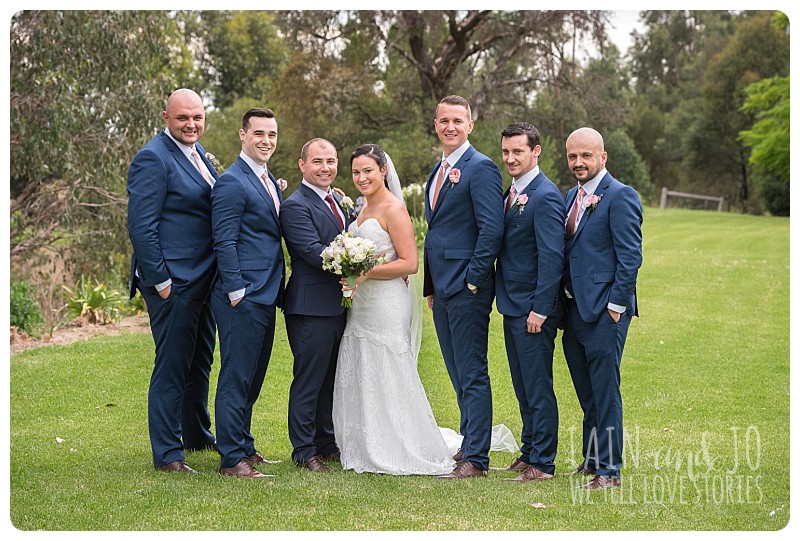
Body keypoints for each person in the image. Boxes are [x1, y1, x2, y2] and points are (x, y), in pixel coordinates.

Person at [332, 144, 455, 475]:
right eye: (356, 172)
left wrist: (365, 271)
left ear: (383, 170)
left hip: (387, 303)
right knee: (362, 364)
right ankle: (365, 440)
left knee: (388, 366)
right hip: (362, 304)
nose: (361, 177)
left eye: (368, 171)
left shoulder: (394, 208)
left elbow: (410, 263)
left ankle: (399, 442)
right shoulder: (359, 210)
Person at [127, 88, 219, 474]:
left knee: (199, 361)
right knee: (172, 364)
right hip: (173, 282)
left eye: (197, 117)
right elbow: (141, 226)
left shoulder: (201, 158)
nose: (191, 124)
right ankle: (167, 453)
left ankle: (196, 433)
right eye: (183, 118)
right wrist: (161, 281)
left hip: (204, 278)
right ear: (166, 118)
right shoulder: (152, 158)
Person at [422, 95, 504, 479]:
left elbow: (491, 229)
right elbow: (436, 233)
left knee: (472, 371)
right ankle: (470, 442)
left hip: (468, 288)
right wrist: (430, 285)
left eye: (458, 120)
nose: (450, 127)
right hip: (442, 289)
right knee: (457, 371)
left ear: (470, 125)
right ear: (435, 124)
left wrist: (473, 279)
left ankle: (477, 458)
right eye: (444, 120)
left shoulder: (481, 168)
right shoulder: (436, 171)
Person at [561, 127, 643, 490]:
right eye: (572, 156)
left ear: (602, 157)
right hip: (573, 310)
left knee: (605, 390)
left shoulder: (620, 196)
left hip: (605, 311)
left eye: (585, 156)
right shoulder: (569, 197)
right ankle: (592, 459)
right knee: (587, 391)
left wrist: (615, 306)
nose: (578, 163)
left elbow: (630, 257)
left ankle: (610, 470)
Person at [209, 108, 285, 478]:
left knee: (253, 375)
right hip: (243, 294)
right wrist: (236, 289)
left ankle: (244, 445)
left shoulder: (267, 179)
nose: (266, 141)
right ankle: (231, 459)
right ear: (243, 135)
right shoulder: (232, 182)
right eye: (258, 133)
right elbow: (224, 240)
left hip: (267, 292)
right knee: (237, 375)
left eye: (271, 134)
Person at [495, 122, 565, 482]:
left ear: (536, 151)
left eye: (517, 151)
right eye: (506, 151)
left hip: (534, 309)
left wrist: (540, 308)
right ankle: (529, 450)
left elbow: (552, 257)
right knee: (523, 386)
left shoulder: (546, 195)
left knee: (538, 386)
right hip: (511, 304)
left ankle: (544, 463)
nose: (510, 158)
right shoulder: (512, 191)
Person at [280, 138, 353, 473]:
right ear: (302, 165)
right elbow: (311, 251)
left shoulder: (337, 200)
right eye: (318, 161)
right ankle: (304, 450)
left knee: (329, 380)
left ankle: (326, 442)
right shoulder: (295, 205)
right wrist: (356, 261)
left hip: (336, 306)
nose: (326, 168)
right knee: (309, 378)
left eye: (331, 161)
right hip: (309, 306)